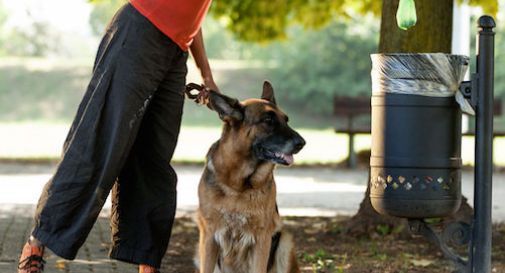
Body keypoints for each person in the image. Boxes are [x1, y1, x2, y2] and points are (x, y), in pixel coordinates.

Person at [17, 1, 216, 272]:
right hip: (140, 30)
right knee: (101, 140)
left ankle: (146, 260)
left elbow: (193, 15)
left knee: (154, 158)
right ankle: (38, 241)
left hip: (176, 49)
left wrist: (206, 73)